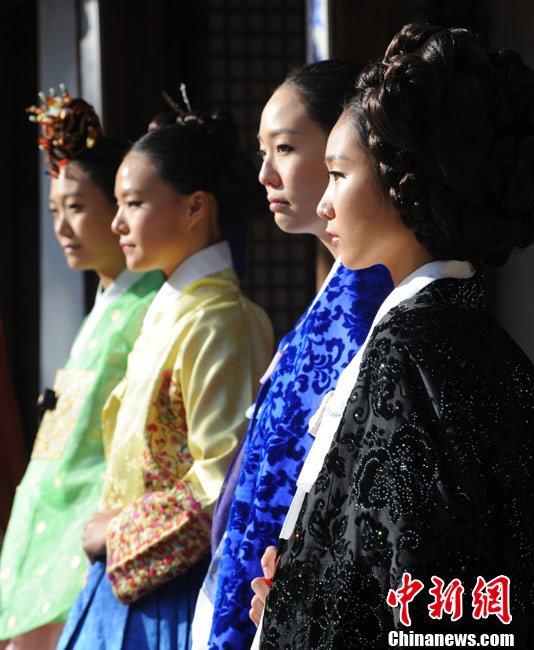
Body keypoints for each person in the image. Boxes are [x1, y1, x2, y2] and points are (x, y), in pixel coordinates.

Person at [253, 23, 534, 648]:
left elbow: (431, 603)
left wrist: (295, 606)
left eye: (337, 174)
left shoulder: (409, 353)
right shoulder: (474, 339)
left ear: (400, 181)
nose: (323, 204)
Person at [57, 109, 273, 650]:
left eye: (133, 203)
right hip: (131, 579)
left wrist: (119, 530)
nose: (116, 223)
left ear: (196, 206)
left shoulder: (220, 318)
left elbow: (222, 480)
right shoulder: (174, 307)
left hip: (172, 591)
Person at [197, 61, 393, 650]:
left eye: (284, 148)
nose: (265, 174)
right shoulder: (339, 289)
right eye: (263, 151)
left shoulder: (376, 303)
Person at [0, 89, 163, 650]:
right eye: (54, 211)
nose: (63, 226)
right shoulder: (109, 302)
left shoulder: (150, 307)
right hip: (44, 530)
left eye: (76, 206)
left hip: (82, 536)